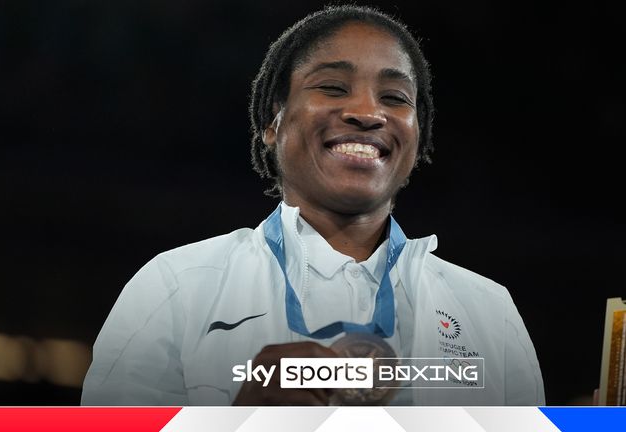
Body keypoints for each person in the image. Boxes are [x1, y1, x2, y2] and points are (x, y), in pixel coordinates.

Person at [81, 5, 544, 406]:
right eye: (333, 87)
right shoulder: (175, 288)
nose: (367, 112)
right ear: (272, 121)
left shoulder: (488, 311)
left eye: (395, 97)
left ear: (417, 135)